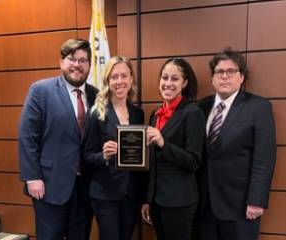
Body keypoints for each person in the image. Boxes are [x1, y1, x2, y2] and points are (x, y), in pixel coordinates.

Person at [18, 39, 98, 240]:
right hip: (49, 186)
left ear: (89, 65)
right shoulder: (40, 90)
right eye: (72, 59)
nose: (77, 65)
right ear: (62, 62)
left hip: (85, 188)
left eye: (83, 60)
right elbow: (27, 136)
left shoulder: (96, 95)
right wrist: (32, 177)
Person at [198, 47, 276, 240]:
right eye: (219, 72)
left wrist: (256, 200)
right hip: (204, 204)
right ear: (212, 78)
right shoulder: (201, 106)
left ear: (241, 77)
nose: (225, 76)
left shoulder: (258, 108)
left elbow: (264, 159)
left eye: (231, 71)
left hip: (240, 206)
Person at [141, 58, 205, 240]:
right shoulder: (155, 114)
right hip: (157, 200)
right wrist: (147, 199)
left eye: (174, 79)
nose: (168, 83)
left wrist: (163, 143)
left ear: (184, 83)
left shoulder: (193, 113)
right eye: (164, 77)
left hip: (180, 201)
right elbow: (152, 161)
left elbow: (194, 161)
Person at [82, 55, 144, 240]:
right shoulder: (97, 112)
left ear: (131, 78)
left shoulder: (138, 114)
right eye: (114, 77)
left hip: (131, 194)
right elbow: (86, 155)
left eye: (124, 76)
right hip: (105, 193)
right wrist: (104, 155)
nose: (119, 81)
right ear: (107, 81)